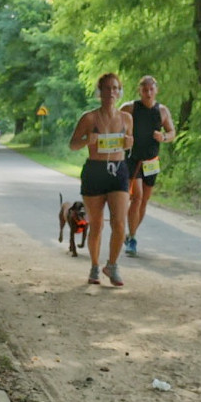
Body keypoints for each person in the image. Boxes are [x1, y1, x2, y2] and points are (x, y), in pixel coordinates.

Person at [68, 72, 133, 286]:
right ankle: (95, 267)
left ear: (120, 91)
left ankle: (112, 265)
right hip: (95, 171)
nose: (111, 92)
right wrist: (88, 139)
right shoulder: (89, 117)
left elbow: (129, 143)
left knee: (120, 223)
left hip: (119, 170)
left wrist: (129, 144)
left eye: (115, 88)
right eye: (107, 88)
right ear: (100, 92)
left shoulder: (126, 118)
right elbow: (73, 144)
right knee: (96, 225)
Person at [120, 75, 175, 257]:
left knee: (144, 200)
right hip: (133, 158)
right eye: (145, 90)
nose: (148, 93)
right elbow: (115, 121)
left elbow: (172, 132)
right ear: (140, 91)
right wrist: (121, 139)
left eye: (151, 89)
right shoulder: (130, 107)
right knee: (137, 197)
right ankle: (132, 239)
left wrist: (164, 137)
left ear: (156, 90)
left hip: (152, 161)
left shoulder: (162, 111)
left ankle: (130, 234)